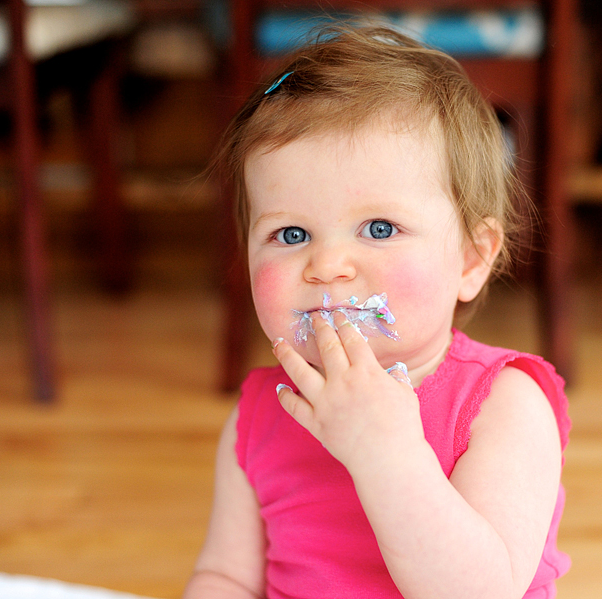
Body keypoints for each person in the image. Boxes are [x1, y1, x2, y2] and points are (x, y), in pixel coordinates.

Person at [184, 23, 571, 599]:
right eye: (290, 233)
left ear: (470, 259)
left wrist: (384, 454)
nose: (328, 264)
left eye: (380, 228)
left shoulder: (505, 405)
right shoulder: (261, 416)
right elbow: (226, 576)